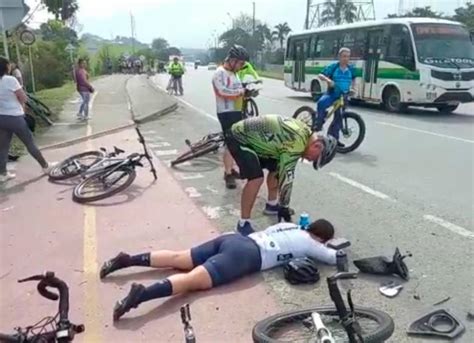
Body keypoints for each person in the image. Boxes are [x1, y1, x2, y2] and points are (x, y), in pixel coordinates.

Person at [100, 219, 337, 321]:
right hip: (246, 256)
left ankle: (126, 260)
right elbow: (332, 257)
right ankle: (141, 295)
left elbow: (274, 228)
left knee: (178, 257)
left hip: (234, 240)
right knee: (192, 280)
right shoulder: (311, 243)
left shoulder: (291, 226)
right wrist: (331, 248)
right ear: (321, 238)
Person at [227, 115, 338, 235]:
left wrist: (282, 205)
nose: (311, 161)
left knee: (277, 168)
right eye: (315, 158)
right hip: (239, 137)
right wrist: (284, 206)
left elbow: (282, 170)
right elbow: (287, 177)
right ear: (316, 145)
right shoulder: (297, 143)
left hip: (259, 139)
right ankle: (243, 223)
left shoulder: (306, 134)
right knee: (256, 178)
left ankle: (272, 204)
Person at [0, 57, 55, 182]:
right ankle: (45, 166)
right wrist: (22, 108)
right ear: (5, 67)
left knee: (3, 147)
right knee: (29, 143)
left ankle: (2, 174)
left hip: (1, 118)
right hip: (15, 117)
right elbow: (23, 98)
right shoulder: (11, 80)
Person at [212, 45, 249, 189]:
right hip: (225, 112)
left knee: (236, 141)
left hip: (236, 110)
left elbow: (238, 89)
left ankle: (231, 168)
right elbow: (222, 92)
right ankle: (227, 174)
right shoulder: (219, 73)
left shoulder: (234, 73)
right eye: (240, 63)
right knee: (230, 142)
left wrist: (246, 92)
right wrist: (240, 93)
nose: (241, 67)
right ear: (232, 60)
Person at [316, 47, 356, 146]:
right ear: (339, 57)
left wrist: (353, 89)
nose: (346, 59)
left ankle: (333, 139)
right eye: (344, 56)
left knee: (339, 118)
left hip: (344, 95)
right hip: (332, 93)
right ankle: (318, 123)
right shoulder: (333, 67)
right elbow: (320, 75)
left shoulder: (351, 69)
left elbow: (354, 79)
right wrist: (328, 80)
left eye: (348, 57)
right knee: (321, 103)